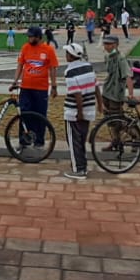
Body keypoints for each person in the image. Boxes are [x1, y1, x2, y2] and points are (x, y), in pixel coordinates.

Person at [8, 27, 59, 153]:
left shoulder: (48, 50)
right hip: (26, 88)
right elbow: (20, 65)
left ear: (38, 37)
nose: (29, 39)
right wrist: (15, 81)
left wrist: (54, 86)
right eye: (28, 36)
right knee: (24, 115)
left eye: (32, 36)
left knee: (40, 115)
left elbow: (53, 68)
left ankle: (39, 141)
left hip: (41, 89)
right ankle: (23, 141)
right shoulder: (25, 48)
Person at [61, 42, 97, 179]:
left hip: (74, 111)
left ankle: (78, 169)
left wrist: (79, 112)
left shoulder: (69, 71)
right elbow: (96, 85)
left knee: (73, 140)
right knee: (81, 139)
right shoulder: (88, 66)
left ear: (71, 56)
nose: (65, 56)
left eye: (67, 53)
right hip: (89, 108)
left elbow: (76, 93)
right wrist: (99, 104)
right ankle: (83, 165)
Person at [98, 35, 134, 153]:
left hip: (116, 93)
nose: (107, 46)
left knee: (117, 120)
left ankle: (135, 136)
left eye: (109, 44)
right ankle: (115, 141)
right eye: (105, 44)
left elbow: (128, 76)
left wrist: (130, 93)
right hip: (107, 91)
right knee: (109, 119)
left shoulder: (121, 58)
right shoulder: (108, 57)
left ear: (116, 45)